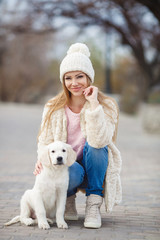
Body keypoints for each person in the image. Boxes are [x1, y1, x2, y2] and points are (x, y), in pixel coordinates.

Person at [34, 43, 122, 229]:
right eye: (68, 78)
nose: (74, 83)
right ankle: (67, 199)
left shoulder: (107, 106)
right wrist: (41, 159)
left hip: (96, 169)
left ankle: (93, 206)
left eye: (79, 76)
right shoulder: (53, 107)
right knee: (69, 166)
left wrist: (93, 105)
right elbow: (45, 141)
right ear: (63, 80)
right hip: (68, 169)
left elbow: (100, 141)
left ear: (89, 77)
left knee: (96, 146)